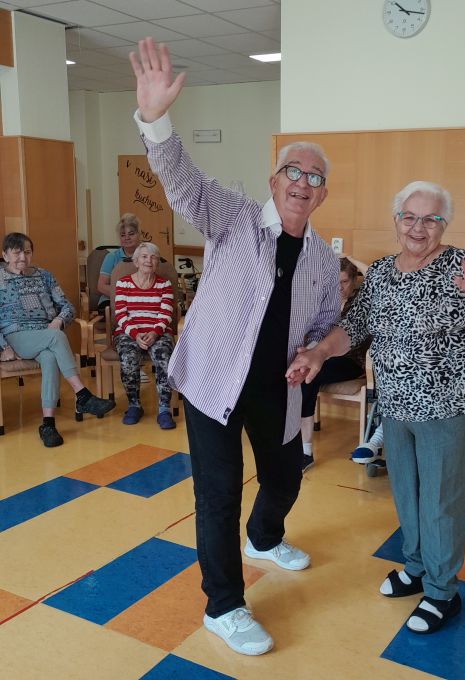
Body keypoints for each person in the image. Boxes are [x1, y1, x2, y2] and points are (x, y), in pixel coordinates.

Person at [129, 37, 339, 656]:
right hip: (214, 382)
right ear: (274, 182)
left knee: (286, 476)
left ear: (322, 194)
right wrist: (155, 119)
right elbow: (183, 183)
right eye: (293, 171)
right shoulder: (234, 217)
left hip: (278, 387)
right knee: (218, 494)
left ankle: (265, 538)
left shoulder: (323, 260)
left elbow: (326, 324)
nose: (302, 182)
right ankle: (224, 606)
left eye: (314, 177)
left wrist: (316, 352)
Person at [287, 181, 465, 634]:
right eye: (409, 217)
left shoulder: (463, 265)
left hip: (450, 405)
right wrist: (318, 352)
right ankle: (416, 567)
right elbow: (354, 325)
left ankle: (442, 591)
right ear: (396, 220)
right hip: (396, 405)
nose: (419, 227)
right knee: (408, 493)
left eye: (431, 219)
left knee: (441, 501)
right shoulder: (380, 272)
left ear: (444, 224)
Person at [0, 233, 115, 447]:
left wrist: (59, 320)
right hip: (16, 335)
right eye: (16, 253)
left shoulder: (44, 276)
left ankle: (48, 424)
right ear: (5, 255)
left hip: (46, 334)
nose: (22, 258)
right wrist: (3, 347)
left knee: (50, 358)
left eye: (27, 252)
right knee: (56, 337)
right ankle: (82, 395)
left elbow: (67, 306)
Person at [300, 255, 369, 472]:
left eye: (344, 282)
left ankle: (305, 451)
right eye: (335, 282)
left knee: (309, 375)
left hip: (351, 361)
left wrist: (351, 257)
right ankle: (298, 443)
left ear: (354, 280)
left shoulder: (362, 299)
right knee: (302, 372)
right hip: (325, 356)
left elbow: (373, 275)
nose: (339, 287)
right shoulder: (326, 301)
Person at [113, 242, 176, 429]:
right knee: (128, 357)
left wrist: (155, 333)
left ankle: (164, 409)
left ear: (157, 263)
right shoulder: (123, 283)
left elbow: (166, 313)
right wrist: (136, 334)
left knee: (164, 357)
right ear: (136, 261)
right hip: (129, 332)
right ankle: (134, 405)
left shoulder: (164, 284)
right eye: (144, 256)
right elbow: (120, 315)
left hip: (158, 332)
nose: (149, 260)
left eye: (154, 257)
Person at [97, 213, 143, 314]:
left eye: (131, 234)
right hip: (112, 299)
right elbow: (101, 286)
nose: (127, 238)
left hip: (140, 299)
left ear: (139, 234)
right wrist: (124, 297)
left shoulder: (147, 255)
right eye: (123, 235)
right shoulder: (111, 257)